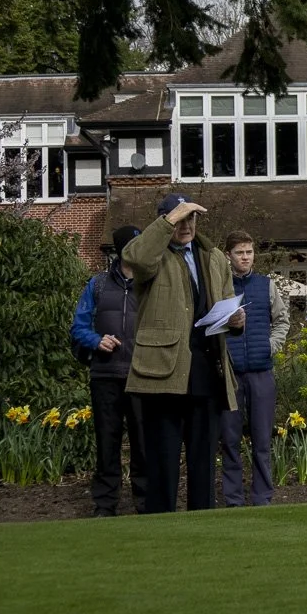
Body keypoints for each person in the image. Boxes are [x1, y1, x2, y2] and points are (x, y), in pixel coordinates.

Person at [124, 194, 241, 514]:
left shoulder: (214, 257)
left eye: (192, 218)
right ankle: (160, 526)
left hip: (206, 366)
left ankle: (202, 525)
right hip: (162, 370)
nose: (187, 226)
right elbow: (134, 256)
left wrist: (236, 320)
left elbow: (227, 300)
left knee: (204, 459)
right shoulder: (152, 256)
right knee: (162, 458)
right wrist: (168, 220)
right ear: (167, 220)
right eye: (180, 219)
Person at [71, 225, 147, 516]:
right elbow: (78, 328)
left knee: (143, 444)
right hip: (105, 376)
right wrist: (96, 340)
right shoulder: (98, 284)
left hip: (141, 375)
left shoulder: (150, 282)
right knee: (107, 443)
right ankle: (105, 505)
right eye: (134, 245)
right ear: (123, 250)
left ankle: (145, 502)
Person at [217, 232, 290, 508]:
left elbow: (283, 321)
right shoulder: (220, 287)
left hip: (261, 373)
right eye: (239, 252)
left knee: (262, 440)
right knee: (230, 441)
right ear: (228, 256)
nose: (245, 257)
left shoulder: (265, 285)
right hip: (230, 375)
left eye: (249, 252)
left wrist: (270, 346)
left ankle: (262, 498)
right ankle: (234, 499)